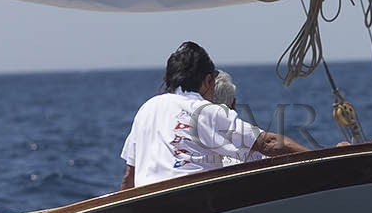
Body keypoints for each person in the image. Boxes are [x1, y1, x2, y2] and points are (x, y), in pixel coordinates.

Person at [120, 42, 306, 188]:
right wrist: (317, 159)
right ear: (208, 80)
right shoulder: (207, 110)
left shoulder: (146, 108)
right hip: (194, 201)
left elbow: (129, 177)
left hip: (149, 206)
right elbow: (268, 143)